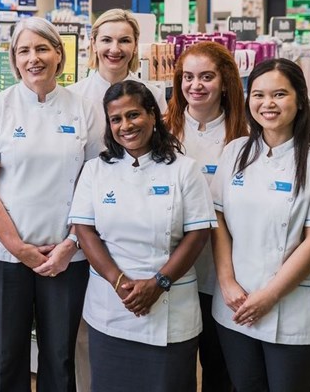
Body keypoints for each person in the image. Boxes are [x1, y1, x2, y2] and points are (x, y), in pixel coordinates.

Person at [0, 16, 104, 392]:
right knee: (8, 356)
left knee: (60, 355)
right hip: (2, 255)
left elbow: (94, 185)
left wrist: (70, 244)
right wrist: (19, 248)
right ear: (14, 59)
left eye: (42, 48)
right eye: (24, 50)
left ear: (59, 54)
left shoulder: (83, 109)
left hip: (66, 255)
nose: (34, 58)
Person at [69, 80, 216, 392]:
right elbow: (85, 230)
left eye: (133, 115)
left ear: (152, 115)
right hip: (111, 307)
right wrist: (119, 281)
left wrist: (159, 282)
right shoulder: (95, 170)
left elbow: (198, 234)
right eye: (116, 119)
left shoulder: (184, 170)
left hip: (170, 309)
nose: (126, 126)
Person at [210, 58, 310, 392]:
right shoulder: (235, 152)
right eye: (259, 95)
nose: (268, 103)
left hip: (292, 311)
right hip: (235, 305)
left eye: (279, 94)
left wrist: (268, 296)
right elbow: (218, 220)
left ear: (300, 100)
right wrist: (227, 282)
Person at [164, 41, 248, 392]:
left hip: (221, 275)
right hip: (172, 271)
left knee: (219, 368)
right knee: (175, 370)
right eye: (188, 77)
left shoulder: (244, 136)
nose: (195, 85)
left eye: (206, 77)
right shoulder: (162, 131)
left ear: (225, 81)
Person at [67, 8, 167, 115]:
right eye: (106, 40)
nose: (115, 49)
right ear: (94, 44)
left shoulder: (154, 95)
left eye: (124, 41)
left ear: (135, 45)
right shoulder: (72, 96)